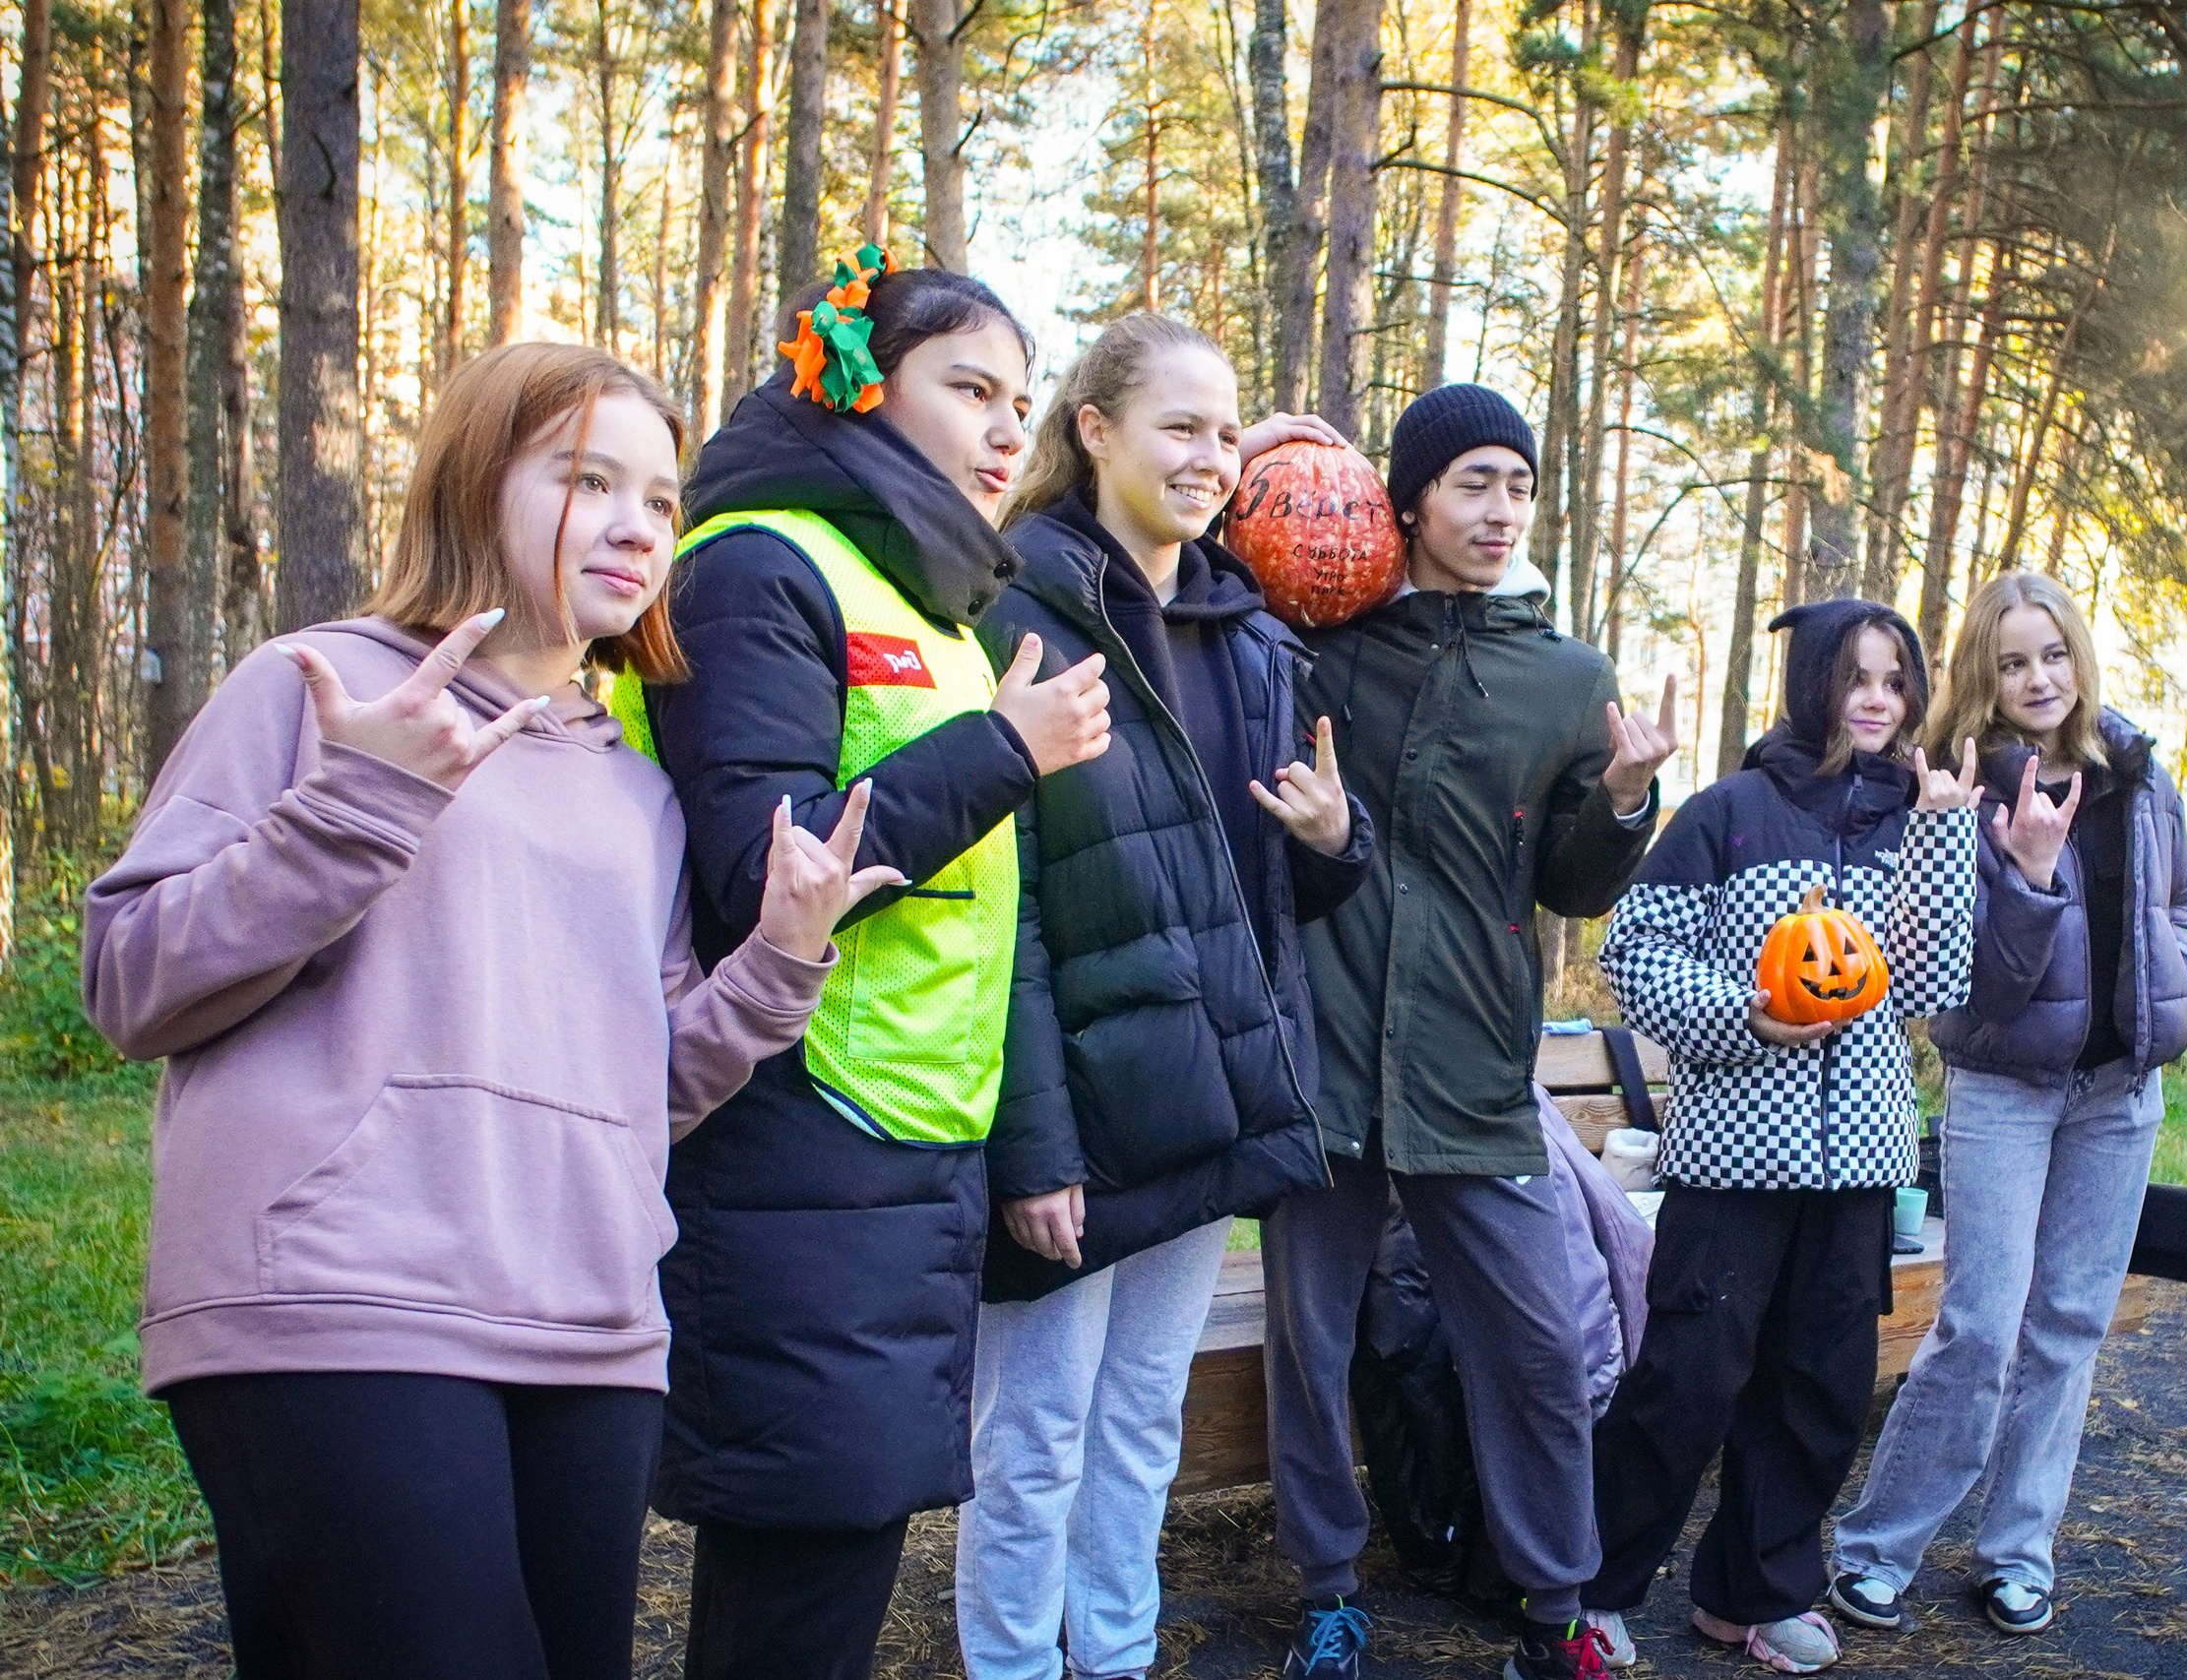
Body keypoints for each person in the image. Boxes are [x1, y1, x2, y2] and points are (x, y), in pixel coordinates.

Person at [82, 343, 892, 1680]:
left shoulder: (634, 792)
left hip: (586, 1319)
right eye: (589, 479)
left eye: (663, 498)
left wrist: (777, 963)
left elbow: (652, 1083)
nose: (640, 522)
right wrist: (355, 806)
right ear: (472, 489)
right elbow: (130, 977)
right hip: (341, 1298)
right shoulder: (319, 689)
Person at [618, 253, 1113, 1680]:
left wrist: (1022, 1135)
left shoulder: (940, 614)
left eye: (1022, 397)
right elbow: (749, 875)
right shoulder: (757, 567)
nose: (1010, 429)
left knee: (839, 1550)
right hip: (795, 1127)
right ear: (852, 385)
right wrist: (1005, 751)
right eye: (970, 388)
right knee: (797, 1572)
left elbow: (976, 920)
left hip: (908, 1147)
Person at [955, 314, 1373, 1680]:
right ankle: (1017, 1664)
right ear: (1095, 428)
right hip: (1070, 1112)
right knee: (1032, 1436)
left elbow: (1255, 893)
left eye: (1226, 429)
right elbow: (988, 909)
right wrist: (1032, 1142)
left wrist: (1331, 845)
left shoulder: (1250, 639)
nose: (1210, 456)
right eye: (1179, 426)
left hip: (1205, 1099)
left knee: (1141, 1415)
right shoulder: (1011, 611)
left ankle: (1116, 1655)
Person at [1266, 383, 1677, 1680]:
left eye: (1520, 485)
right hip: (1325, 1058)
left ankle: (1554, 1604)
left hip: (1471, 1063)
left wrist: (1621, 794)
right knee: (1308, 1341)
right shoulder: (1322, 645)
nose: (1500, 510)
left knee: (1543, 1345)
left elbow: (1571, 884)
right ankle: (1328, 1587)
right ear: (1409, 499)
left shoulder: (1568, 678)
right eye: (1472, 483)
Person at [1581, 600, 1979, 1676]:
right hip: (1731, 1161)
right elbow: (1634, 955)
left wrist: (1944, 832)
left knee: (1819, 1386)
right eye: (1854, 676)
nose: (1877, 699)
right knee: (1687, 1378)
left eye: (1896, 680)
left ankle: (1751, 1594)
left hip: (1858, 1167)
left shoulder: (1920, 818)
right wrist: (1740, 1015)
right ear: (1811, 684)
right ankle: (1599, 1588)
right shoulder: (1729, 811)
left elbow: (1937, 986)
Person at [1826, 571, 2187, 1642]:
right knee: (1981, 1327)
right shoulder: (1957, 787)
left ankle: (2017, 1552)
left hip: (2119, 1091)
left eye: (2053, 654)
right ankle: (1879, 1548)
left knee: (2069, 1327)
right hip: (2003, 1088)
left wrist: (2176, 979)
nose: (2038, 677)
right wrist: (2031, 877)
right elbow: (1961, 983)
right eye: (2012, 660)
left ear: (2078, 660)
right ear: (1982, 675)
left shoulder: (2136, 770)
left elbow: (2175, 899)